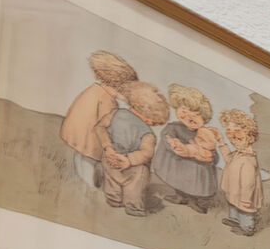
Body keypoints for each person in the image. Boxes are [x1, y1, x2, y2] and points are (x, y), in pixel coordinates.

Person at [59, 51, 136, 188]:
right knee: (89, 161)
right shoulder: (108, 100)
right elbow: (108, 124)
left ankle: (83, 182)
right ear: (118, 85)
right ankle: (89, 186)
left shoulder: (94, 89)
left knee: (81, 156)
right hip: (90, 136)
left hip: (80, 133)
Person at [151, 84, 223, 212]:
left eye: (195, 115)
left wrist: (208, 156)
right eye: (184, 111)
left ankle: (198, 202)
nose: (189, 117)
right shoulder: (173, 127)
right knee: (179, 181)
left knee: (200, 186)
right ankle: (181, 196)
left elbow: (214, 154)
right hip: (178, 167)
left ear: (204, 118)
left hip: (198, 171)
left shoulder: (205, 133)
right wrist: (176, 145)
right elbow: (167, 139)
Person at [101, 82, 168, 217]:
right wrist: (129, 160)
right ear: (150, 118)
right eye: (154, 122)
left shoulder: (115, 113)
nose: (153, 124)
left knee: (111, 178)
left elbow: (100, 128)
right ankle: (134, 206)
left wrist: (108, 147)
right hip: (132, 165)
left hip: (110, 156)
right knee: (136, 184)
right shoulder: (147, 133)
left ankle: (114, 199)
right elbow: (147, 153)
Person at [218, 108, 262, 236]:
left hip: (244, 196)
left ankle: (247, 228)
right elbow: (228, 160)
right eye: (229, 131)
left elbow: (249, 184)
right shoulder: (237, 153)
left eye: (237, 131)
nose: (232, 136)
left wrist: (246, 199)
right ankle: (234, 220)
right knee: (233, 204)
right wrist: (221, 143)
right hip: (235, 190)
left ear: (249, 135)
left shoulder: (248, 160)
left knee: (245, 211)